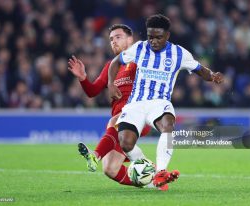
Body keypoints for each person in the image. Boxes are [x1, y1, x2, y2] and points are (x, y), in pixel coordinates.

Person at [108, 14, 224, 187]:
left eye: (158, 37)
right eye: (150, 37)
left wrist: (213, 76)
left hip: (159, 103)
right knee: (125, 143)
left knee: (167, 125)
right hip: (136, 104)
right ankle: (152, 178)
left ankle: (161, 171)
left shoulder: (179, 53)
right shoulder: (139, 48)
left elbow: (200, 69)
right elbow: (116, 62)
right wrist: (111, 83)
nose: (153, 41)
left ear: (167, 35)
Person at [68, 24, 167, 189]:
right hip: (120, 124)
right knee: (110, 169)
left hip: (140, 115)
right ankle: (153, 183)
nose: (113, 42)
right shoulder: (110, 66)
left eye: (118, 37)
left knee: (116, 120)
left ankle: (95, 155)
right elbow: (92, 92)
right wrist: (83, 78)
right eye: (111, 39)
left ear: (130, 39)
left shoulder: (142, 59)